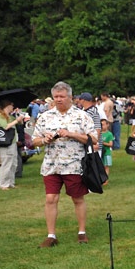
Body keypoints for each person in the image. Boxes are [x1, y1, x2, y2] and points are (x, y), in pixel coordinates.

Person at [32, 81, 98, 247]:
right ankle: (51, 235)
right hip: (51, 164)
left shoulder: (82, 116)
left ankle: (82, 232)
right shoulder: (45, 117)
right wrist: (44, 139)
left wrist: (72, 134)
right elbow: (34, 141)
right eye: (56, 97)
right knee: (50, 198)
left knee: (77, 198)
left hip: (73, 164)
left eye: (62, 96)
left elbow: (94, 139)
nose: (59, 99)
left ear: (70, 97)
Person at [0, 99, 27, 190]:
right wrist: (16, 121)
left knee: (13, 163)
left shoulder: (10, 116)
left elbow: (18, 123)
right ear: (7, 105)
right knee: (6, 163)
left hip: (12, 142)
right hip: (4, 142)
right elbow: (6, 127)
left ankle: (11, 182)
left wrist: (19, 118)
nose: (13, 107)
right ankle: (3, 184)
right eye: (12, 105)